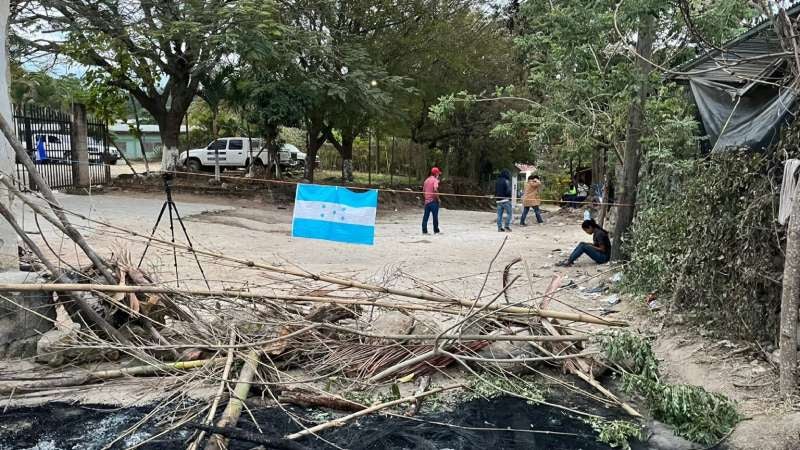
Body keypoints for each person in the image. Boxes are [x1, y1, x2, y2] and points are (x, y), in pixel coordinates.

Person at [422, 167, 441, 235]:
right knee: (435, 216)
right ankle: (436, 230)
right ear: (436, 173)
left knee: (425, 216)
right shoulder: (435, 180)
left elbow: (423, 191)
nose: (438, 175)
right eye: (438, 173)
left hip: (427, 202)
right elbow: (435, 189)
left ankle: (424, 231)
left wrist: (426, 198)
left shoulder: (426, 180)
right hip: (433, 202)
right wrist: (438, 199)